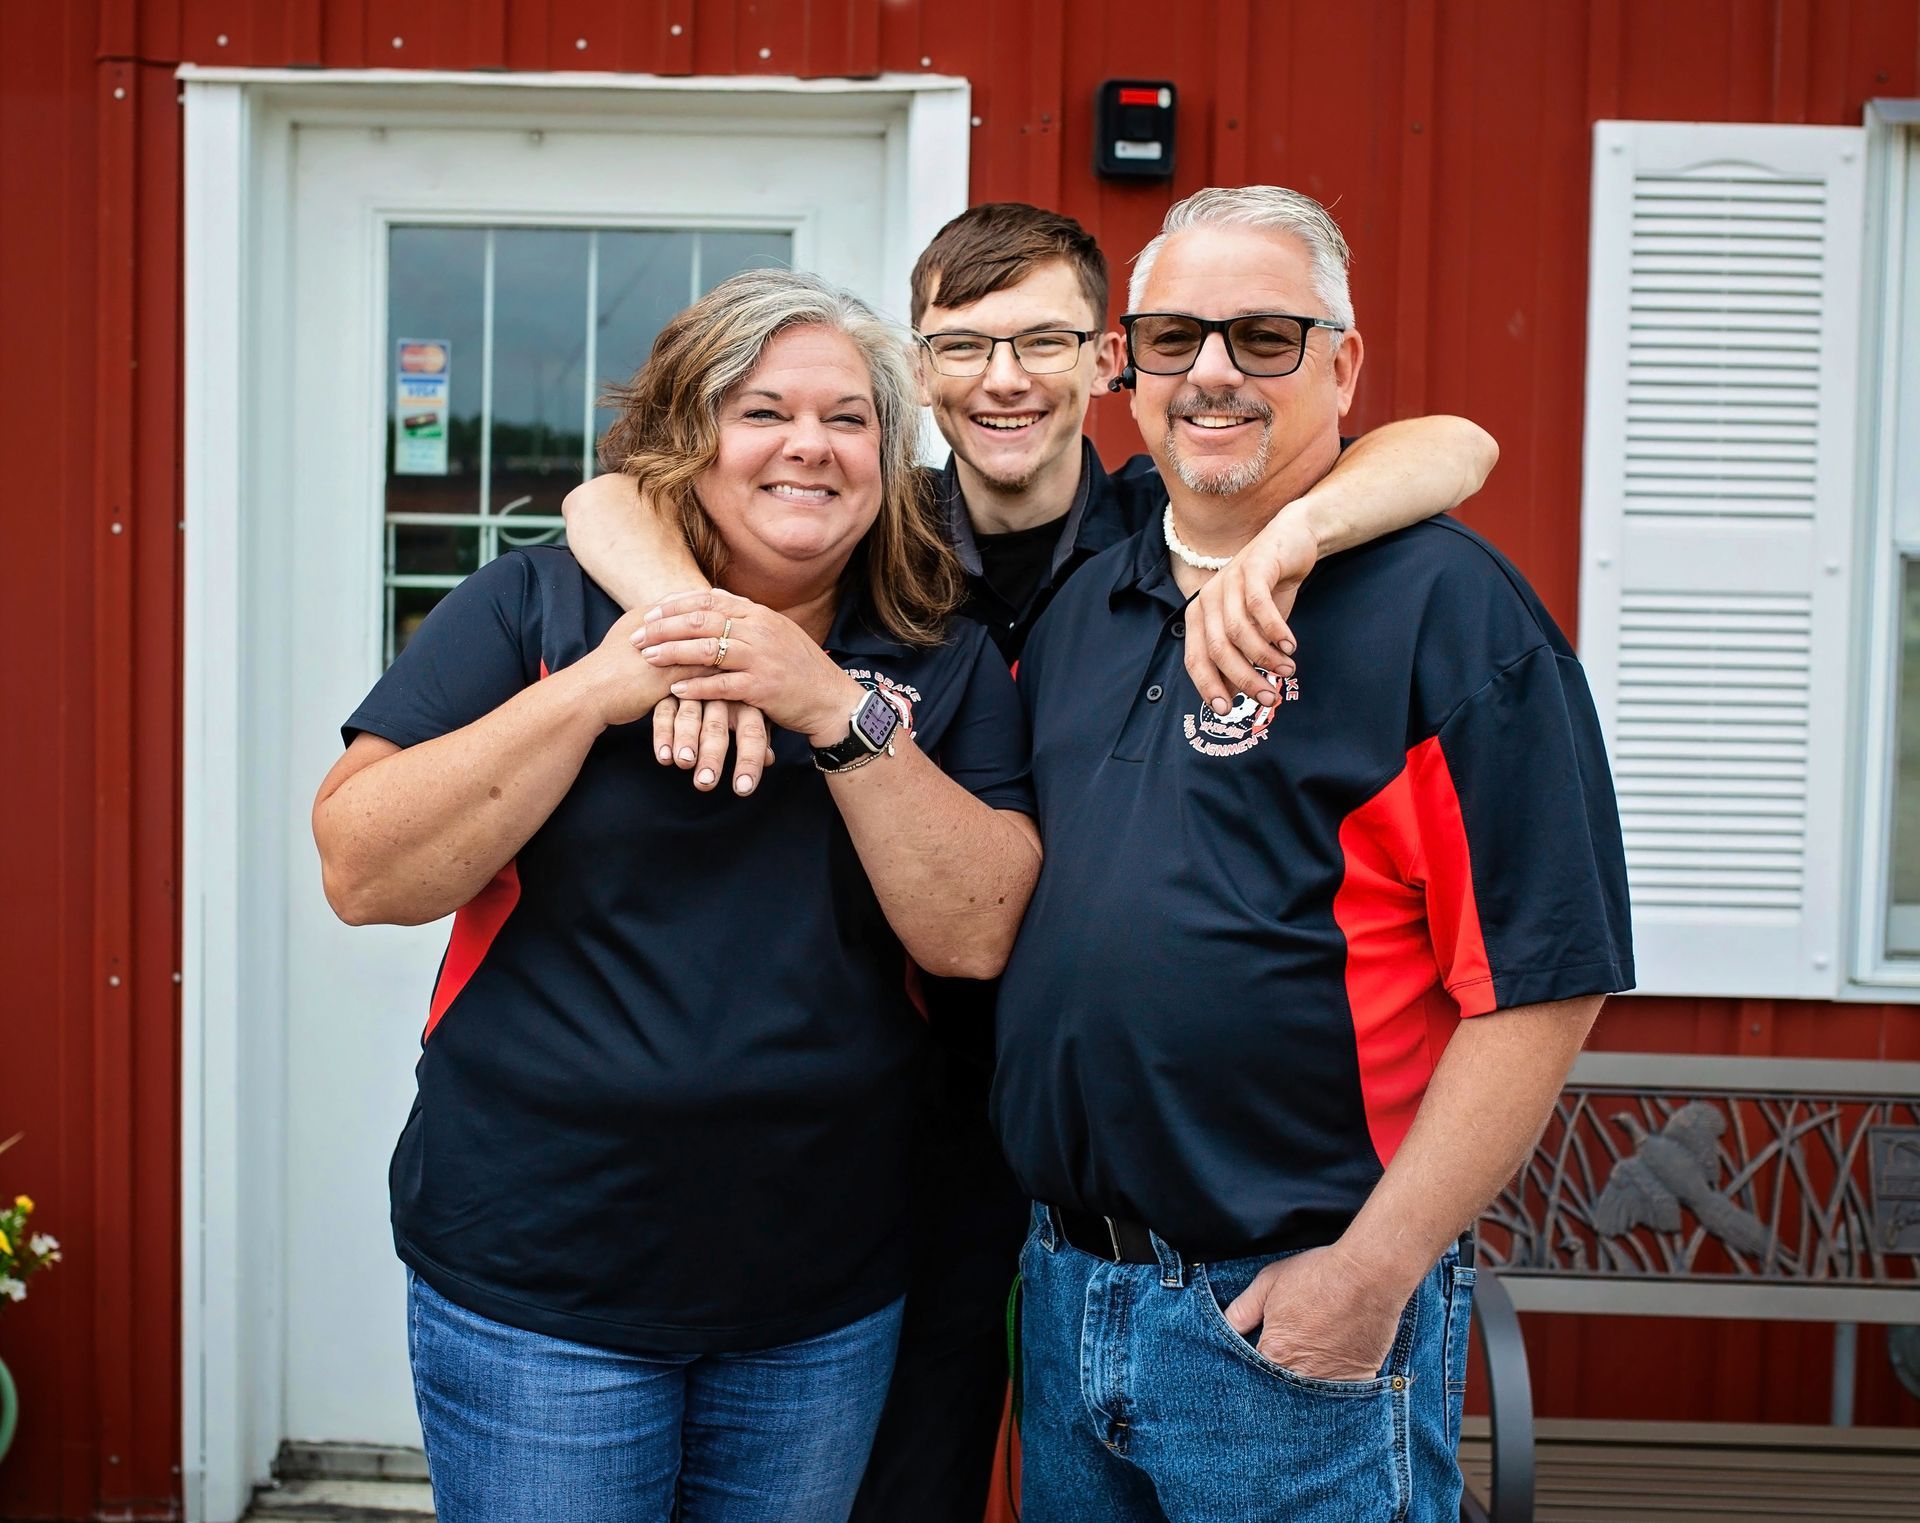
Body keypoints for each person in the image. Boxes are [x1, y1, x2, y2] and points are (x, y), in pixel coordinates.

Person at [563, 203, 1500, 1523]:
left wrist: (1292, 541)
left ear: (1106, 359)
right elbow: (607, 493)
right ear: (920, 367)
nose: (1004, 378)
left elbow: (1455, 445)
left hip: (1151, 1136)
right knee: (908, 1470)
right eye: (962, 345)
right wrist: (694, 631)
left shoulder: (1171, 524)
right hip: (910, 1100)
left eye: (1044, 340)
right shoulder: (870, 525)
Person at [311, 269, 1043, 1523]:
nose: (809, 444)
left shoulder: (941, 650)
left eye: (849, 418)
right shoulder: (538, 606)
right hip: (541, 1274)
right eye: (762, 412)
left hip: (817, 1287)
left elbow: (974, 935)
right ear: (688, 441)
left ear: (886, 458)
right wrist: (606, 683)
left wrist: (829, 704)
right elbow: (361, 868)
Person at [991, 185, 1635, 1523]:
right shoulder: (1089, 593)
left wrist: (1371, 1272)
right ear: (1127, 368)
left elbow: (1544, 977)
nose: (1212, 372)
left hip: (1289, 1312)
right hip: (1069, 1290)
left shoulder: (1447, 610)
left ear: (1343, 366)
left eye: (1266, 337)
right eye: (1174, 337)